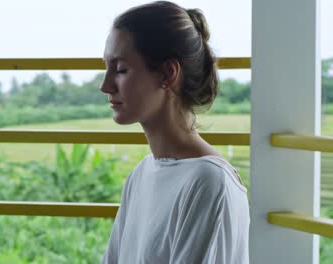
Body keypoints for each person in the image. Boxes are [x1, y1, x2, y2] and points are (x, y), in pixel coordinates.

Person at [99, 1, 250, 263]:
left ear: (168, 73)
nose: (105, 85)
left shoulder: (209, 182)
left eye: (121, 69)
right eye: (107, 67)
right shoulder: (142, 174)